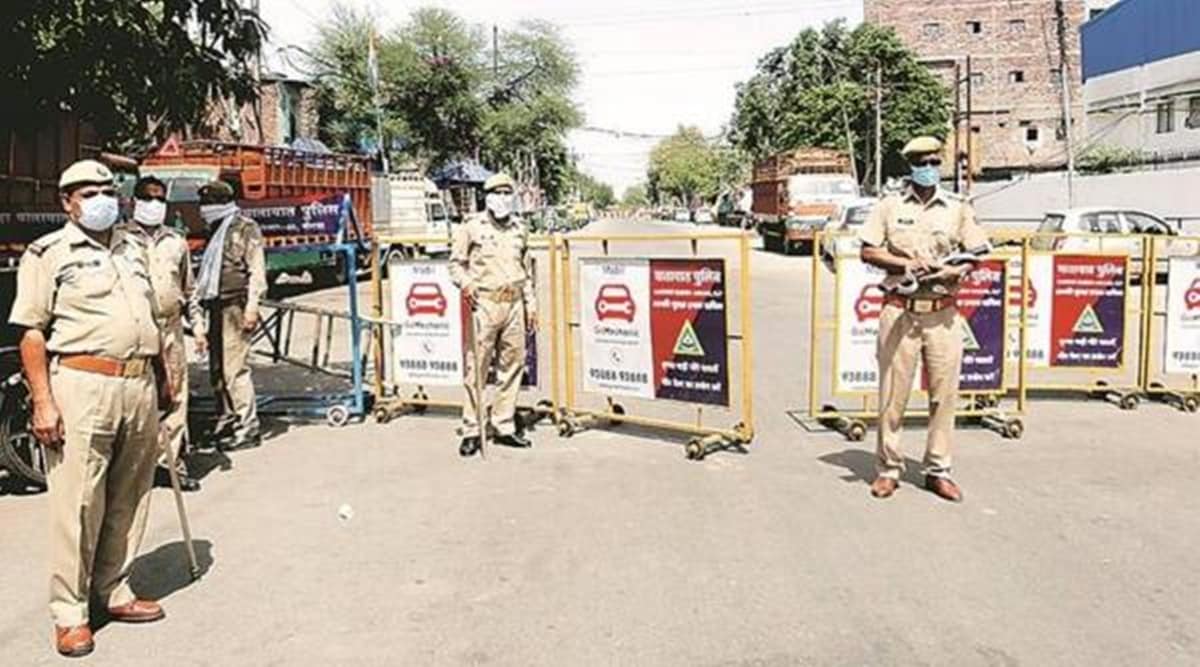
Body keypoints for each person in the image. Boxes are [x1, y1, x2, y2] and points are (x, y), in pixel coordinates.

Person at [10, 159, 170, 657]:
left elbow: (150, 318)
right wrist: (42, 401)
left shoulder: (132, 247)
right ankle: (70, 612)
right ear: (67, 202)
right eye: (88, 192)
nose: (102, 198)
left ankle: (113, 590)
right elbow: (31, 332)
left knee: (130, 495)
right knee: (77, 504)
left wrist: (163, 381)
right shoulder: (49, 253)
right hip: (82, 383)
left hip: (138, 383)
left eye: (107, 189)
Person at [857, 136, 991, 503]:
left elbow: (977, 252)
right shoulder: (889, 206)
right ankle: (888, 468)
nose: (928, 167)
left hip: (943, 313)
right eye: (921, 161)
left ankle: (938, 470)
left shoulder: (957, 208)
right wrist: (907, 264)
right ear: (910, 166)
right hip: (900, 309)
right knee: (892, 395)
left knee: (944, 396)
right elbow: (867, 250)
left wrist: (955, 271)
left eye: (934, 161)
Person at [121, 176, 203, 491]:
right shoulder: (120, 240)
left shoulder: (175, 241)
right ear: (134, 201)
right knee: (139, 395)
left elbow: (189, 289)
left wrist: (198, 328)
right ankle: (136, 465)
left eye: (159, 198)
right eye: (147, 197)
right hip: (136, 329)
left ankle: (169, 464)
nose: (153, 203)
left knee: (175, 394)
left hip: (170, 328)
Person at [449, 173, 538, 456]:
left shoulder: (520, 229)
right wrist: (467, 283)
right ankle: (472, 428)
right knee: (476, 367)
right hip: (484, 303)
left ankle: (503, 424)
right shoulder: (471, 227)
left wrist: (530, 303)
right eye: (497, 193)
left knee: (511, 366)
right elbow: (455, 265)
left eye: (507, 193)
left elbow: (525, 271)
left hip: (513, 303)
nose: (502, 198)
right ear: (487, 197)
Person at [191, 180, 265, 451]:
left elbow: (256, 269)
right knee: (218, 370)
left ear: (220, 204)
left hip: (237, 306)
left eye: (207, 204)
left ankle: (248, 425)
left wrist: (252, 308)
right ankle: (227, 418)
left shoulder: (244, 228)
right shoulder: (216, 230)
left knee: (235, 369)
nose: (203, 210)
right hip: (215, 305)